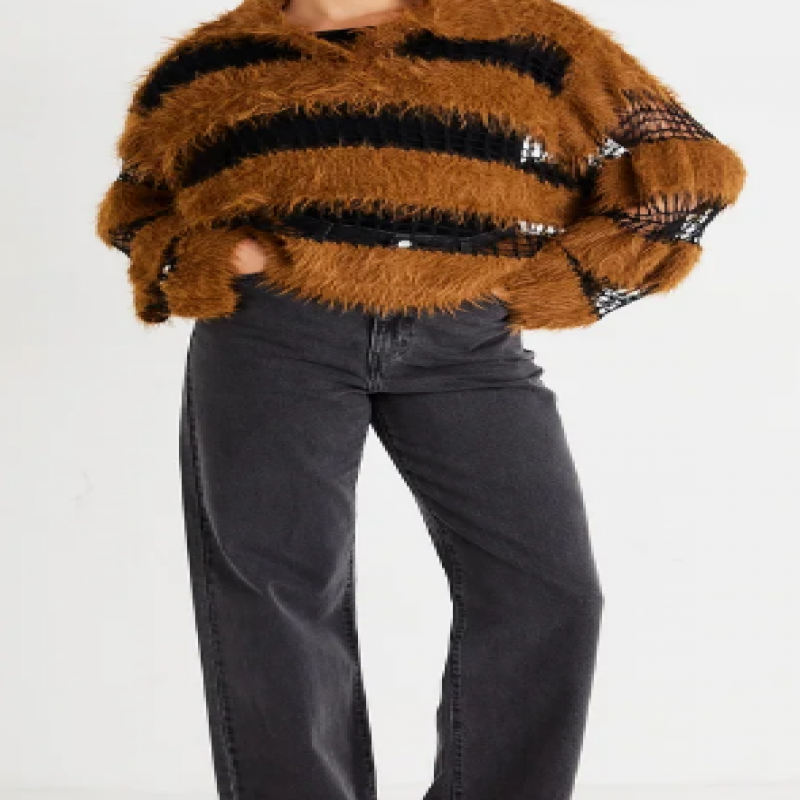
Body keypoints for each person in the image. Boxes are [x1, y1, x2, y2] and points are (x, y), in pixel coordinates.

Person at [95, 1, 746, 798]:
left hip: (467, 337)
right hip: (273, 333)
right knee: (274, 591)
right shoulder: (211, 60)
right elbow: (137, 205)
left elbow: (686, 167)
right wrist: (215, 255)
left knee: (547, 589)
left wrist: (552, 285)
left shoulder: (525, 34)